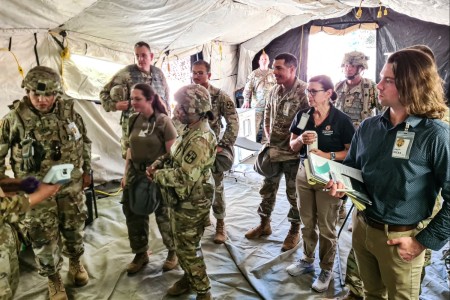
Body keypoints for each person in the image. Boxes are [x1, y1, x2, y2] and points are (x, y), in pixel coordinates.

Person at [328, 49, 449, 300]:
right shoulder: (370, 126)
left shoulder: (435, 135)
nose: (379, 85)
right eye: (381, 78)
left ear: (412, 85)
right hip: (362, 229)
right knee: (372, 294)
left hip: (400, 238)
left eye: (389, 80)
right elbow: (351, 168)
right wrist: (340, 184)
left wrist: (422, 242)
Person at [0, 66, 92, 300]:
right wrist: (7, 187)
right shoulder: (14, 120)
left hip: (70, 188)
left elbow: (85, 141)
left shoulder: (69, 113)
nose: (42, 100)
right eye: (36, 94)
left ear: (57, 93)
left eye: (49, 95)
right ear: (27, 91)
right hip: (36, 193)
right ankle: (53, 278)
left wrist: (87, 170)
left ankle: (75, 263)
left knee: (74, 228)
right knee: (43, 236)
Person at [285, 75, 355, 292]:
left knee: (326, 225)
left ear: (329, 93)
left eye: (314, 91)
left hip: (329, 177)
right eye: (308, 91)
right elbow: (292, 146)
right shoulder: (303, 116)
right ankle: (307, 260)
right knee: (306, 220)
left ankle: (326, 268)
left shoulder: (340, 120)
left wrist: (327, 155)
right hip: (305, 173)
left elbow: (351, 151)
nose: (309, 95)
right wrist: (299, 140)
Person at [147, 84, 217, 300]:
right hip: (182, 197)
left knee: (187, 247)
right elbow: (174, 154)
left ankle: (203, 291)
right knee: (182, 243)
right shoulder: (190, 129)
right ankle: (189, 277)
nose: (177, 110)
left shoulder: (201, 139)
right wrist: (159, 162)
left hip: (193, 200)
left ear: (196, 109)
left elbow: (184, 177)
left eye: (182, 107)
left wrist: (155, 176)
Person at [245, 53, 309, 252]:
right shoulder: (274, 90)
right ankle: (264, 224)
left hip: (292, 153)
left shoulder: (304, 92)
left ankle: (294, 230)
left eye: (279, 68)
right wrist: (267, 133)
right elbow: (266, 115)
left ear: (292, 69)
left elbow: (309, 123)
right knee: (267, 189)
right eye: (274, 67)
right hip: (273, 151)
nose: (275, 71)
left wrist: (296, 144)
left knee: (294, 195)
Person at [120, 83, 178, 274]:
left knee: (164, 215)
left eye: (137, 99)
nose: (133, 102)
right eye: (132, 98)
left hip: (156, 175)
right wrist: (125, 173)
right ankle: (140, 253)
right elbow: (130, 148)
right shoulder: (133, 120)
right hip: (135, 174)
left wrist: (157, 172)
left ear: (150, 99)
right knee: (133, 214)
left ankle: (173, 251)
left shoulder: (163, 122)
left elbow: (173, 155)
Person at [190, 60, 239, 244]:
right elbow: (178, 118)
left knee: (216, 187)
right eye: (194, 73)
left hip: (212, 150)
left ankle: (220, 223)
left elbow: (233, 121)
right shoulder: (188, 95)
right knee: (195, 187)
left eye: (200, 73)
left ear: (209, 75)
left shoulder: (219, 96)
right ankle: (202, 219)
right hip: (193, 151)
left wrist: (224, 145)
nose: (196, 76)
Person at [100, 41, 170, 159]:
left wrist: (168, 120)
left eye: (143, 55)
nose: (140, 59)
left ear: (151, 56)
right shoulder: (126, 73)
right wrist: (115, 105)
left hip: (157, 128)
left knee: (156, 160)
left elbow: (167, 98)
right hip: (134, 129)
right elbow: (103, 92)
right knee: (132, 162)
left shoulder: (158, 74)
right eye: (137, 55)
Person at [334, 51, 381, 220]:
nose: (348, 68)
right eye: (346, 65)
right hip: (342, 140)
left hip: (364, 139)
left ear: (361, 68)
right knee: (342, 171)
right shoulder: (338, 86)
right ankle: (341, 204)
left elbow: (383, 111)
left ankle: (359, 211)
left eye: (352, 65)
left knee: (362, 175)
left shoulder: (371, 87)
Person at [0, 178, 60, 300]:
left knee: (9, 289)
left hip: (6, 238)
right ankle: (52, 276)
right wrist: (42, 193)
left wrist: (17, 184)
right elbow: (6, 208)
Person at [242, 51, 276, 142]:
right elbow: (248, 88)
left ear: (269, 61)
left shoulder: (273, 74)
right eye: (262, 59)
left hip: (270, 106)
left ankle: (265, 145)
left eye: (266, 59)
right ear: (259, 61)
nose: (264, 61)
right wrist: (246, 100)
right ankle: (251, 145)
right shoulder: (254, 74)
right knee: (254, 127)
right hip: (257, 106)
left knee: (268, 127)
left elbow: (278, 88)